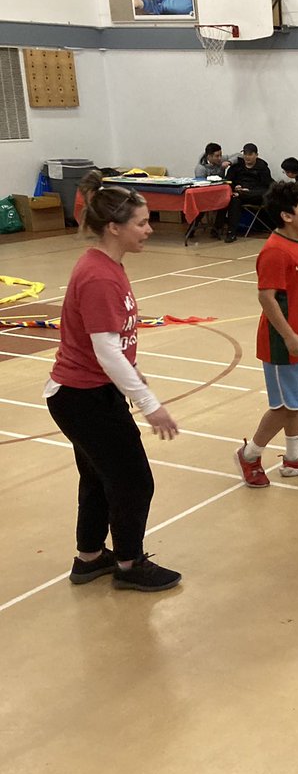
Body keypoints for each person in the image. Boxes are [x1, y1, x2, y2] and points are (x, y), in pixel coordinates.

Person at [45, 186, 182, 592]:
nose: (149, 229)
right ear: (113, 227)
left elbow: (113, 346)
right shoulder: (98, 275)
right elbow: (104, 350)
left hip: (91, 392)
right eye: (141, 223)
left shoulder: (108, 265)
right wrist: (149, 404)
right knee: (134, 481)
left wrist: (134, 373)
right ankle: (128, 563)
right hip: (82, 397)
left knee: (99, 476)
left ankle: (89, 557)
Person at [234, 182, 298, 487]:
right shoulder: (274, 251)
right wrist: (290, 335)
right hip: (283, 344)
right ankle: (250, 454)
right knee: (283, 407)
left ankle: (294, 458)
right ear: (286, 215)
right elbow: (266, 298)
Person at [221, 143, 273, 243]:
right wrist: (235, 186)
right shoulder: (237, 166)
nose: (247, 157)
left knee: (264, 193)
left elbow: (267, 186)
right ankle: (231, 232)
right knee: (234, 200)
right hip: (239, 194)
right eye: (245, 154)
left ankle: (241, 194)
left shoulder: (262, 167)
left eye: (250, 154)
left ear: (256, 155)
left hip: (256, 194)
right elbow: (228, 181)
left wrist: (249, 191)